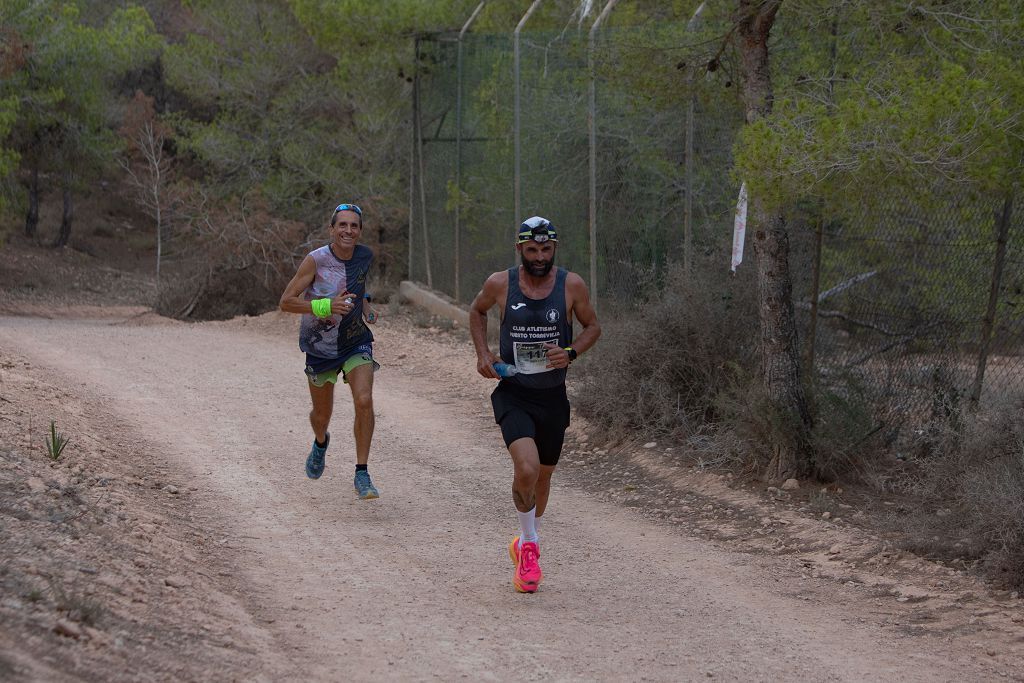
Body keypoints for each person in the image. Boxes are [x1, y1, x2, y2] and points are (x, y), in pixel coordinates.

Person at [470, 216, 601, 593]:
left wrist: (571, 352)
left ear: (554, 248)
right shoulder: (500, 284)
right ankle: (529, 548)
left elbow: (593, 326)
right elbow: (476, 312)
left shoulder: (571, 285)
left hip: (552, 397)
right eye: (532, 249)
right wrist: (483, 354)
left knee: (543, 476)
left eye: (546, 249)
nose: (539, 256)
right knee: (526, 468)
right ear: (520, 249)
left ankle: (527, 539)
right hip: (514, 392)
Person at [279, 202, 381, 499]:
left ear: (360, 231)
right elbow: (286, 301)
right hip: (320, 346)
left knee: (364, 400)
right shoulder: (316, 260)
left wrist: (366, 306)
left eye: (354, 226)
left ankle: (362, 472)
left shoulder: (365, 256)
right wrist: (325, 305)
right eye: (343, 225)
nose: (348, 230)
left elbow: (357, 285)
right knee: (321, 415)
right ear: (332, 229)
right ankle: (320, 442)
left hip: (355, 340)